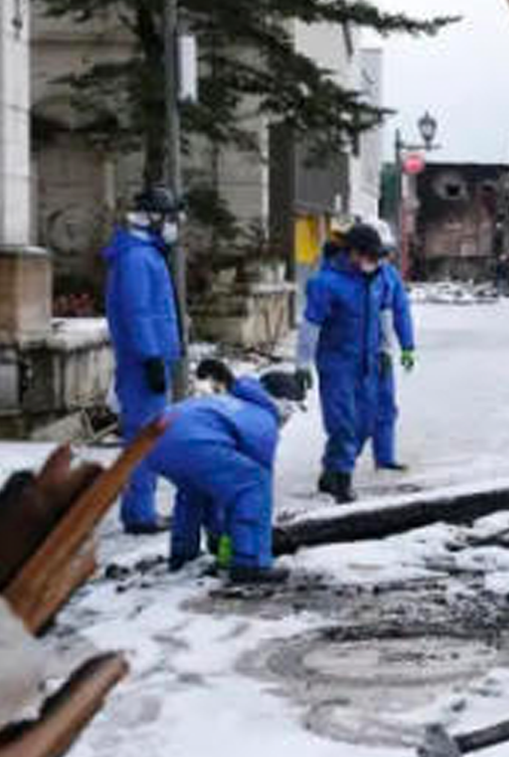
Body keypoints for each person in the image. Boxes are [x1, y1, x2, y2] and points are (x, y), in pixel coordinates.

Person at [145, 362, 306, 584]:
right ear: (282, 404)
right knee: (254, 485)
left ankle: (183, 554)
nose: (287, 420)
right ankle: (251, 564)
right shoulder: (263, 419)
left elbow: (223, 486)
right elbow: (253, 491)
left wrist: (219, 533)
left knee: (194, 491)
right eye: (290, 411)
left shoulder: (235, 403)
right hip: (193, 443)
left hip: (154, 440)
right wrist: (235, 539)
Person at [103, 186, 183, 534]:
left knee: (145, 436)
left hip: (147, 358)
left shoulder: (145, 253)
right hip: (142, 361)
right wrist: (151, 357)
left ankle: (140, 509)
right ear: (152, 218)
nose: (174, 226)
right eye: (170, 219)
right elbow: (138, 313)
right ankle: (139, 513)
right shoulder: (138, 258)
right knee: (144, 438)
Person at [298, 222, 385, 504]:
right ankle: (342, 481)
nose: (374, 261)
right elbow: (311, 326)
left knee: (366, 424)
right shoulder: (326, 284)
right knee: (343, 423)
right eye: (369, 255)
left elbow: (380, 317)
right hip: (337, 363)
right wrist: (303, 364)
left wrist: (384, 349)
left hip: (366, 362)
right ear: (352, 253)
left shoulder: (372, 281)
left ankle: (331, 469)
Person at [369, 219, 416, 472]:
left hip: (381, 353)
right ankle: (339, 467)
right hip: (350, 356)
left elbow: (401, 311)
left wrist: (407, 346)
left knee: (385, 406)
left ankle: (384, 457)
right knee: (355, 412)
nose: (383, 258)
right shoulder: (346, 278)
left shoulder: (389, 276)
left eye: (386, 252)